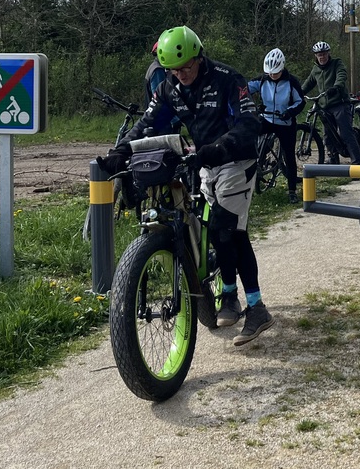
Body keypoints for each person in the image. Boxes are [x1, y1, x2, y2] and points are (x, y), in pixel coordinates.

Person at [100, 25, 273, 346]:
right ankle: (226, 295)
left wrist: (218, 147)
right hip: (204, 163)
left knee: (228, 230)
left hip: (236, 161)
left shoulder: (227, 79)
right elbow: (148, 123)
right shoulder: (169, 88)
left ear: (199, 57)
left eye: (186, 67)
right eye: (173, 70)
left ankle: (255, 307)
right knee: (210, 227)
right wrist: (121, 150)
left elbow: (249, 123)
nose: (181, 74)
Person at [247, 47, 305, 203]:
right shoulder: (262, 80)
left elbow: (300, 102)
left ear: (282, 68)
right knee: (248, 135)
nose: (272, 75)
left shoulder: (291, 82)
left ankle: (292, 191)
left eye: (276, 73)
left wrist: (289, 112)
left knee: (289, 156)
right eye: (270, 73)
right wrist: (250, 105)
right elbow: (244, 89)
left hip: (285, 122)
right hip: (267, 118)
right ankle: (258, 163)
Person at [301, 41, 360, 166]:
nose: (322, 57)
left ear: (328, 53)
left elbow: (341, 76)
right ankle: (333, 159)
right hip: (325, 106)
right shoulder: (315, 69)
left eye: (324, 54)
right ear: (316, 56)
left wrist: (336, 87)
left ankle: (357, 161)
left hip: (340, 103)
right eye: (319, 55)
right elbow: (308, 83)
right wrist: (298, 93)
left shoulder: (337, 63)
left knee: (346, 133)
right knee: (328, 135)